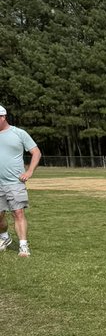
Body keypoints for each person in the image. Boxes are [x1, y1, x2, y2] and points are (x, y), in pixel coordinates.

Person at [0, 104, 41, 258]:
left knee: (18, 212)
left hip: (14, 182)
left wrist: (29, 171)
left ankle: (23, 247)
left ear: (3, 117)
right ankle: (4, 238)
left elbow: (36, 152)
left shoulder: (19, 133)